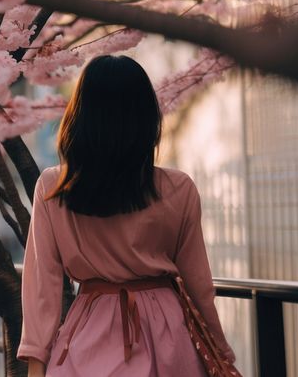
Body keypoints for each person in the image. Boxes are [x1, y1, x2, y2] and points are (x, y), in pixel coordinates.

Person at [19, 56, 236, 376]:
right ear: (147, 118)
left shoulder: (54, 188)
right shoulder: (178, 188)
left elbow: (43, 291)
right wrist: (221, 354)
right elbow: (199, 287)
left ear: (80, 118)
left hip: (87, 336)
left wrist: (36, 368)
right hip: (169, 338)